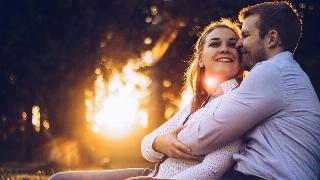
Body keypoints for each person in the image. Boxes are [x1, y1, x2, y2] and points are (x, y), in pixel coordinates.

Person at [49, 18, 244, 180]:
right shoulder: (197, 103)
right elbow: (146, 148)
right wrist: (159, 142)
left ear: (241, 57)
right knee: (60, 179)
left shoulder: (238, 102)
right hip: (151, 173)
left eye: (233, 45)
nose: (225, 49)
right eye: (215, 43)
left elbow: (213, 169)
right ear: (200, 59)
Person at [159, 1, 320, 180]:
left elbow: (208, 133)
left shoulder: (271, 71)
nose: (239, 44)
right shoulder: (285, 72)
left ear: (272, 39)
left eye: (245, 35)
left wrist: (159, 143)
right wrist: (155, 142)